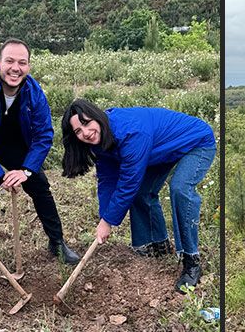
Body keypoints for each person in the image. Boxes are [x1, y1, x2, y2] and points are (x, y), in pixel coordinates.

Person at [61, 99, 216, 293]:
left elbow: (129, 181)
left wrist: (109, 221)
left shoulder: (130, 132)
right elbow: (108, 178)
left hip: (196, 142)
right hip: (158, 150)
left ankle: (191, 262)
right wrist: (104, 217)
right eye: (77, 131)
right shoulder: (100, 138)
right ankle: (158, 245)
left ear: (97, 116)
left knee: (180, 189)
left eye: (86, 123)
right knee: (142, 192)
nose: (85, 133)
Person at [0, 38, 80, 279]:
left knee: (40, 186)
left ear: (29, 66)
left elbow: (44, 135)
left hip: (12, 141)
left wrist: (25, 170)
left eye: (22, 62)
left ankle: (57, 242)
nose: (16, 68)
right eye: (10, 61)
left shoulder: (34, 93)